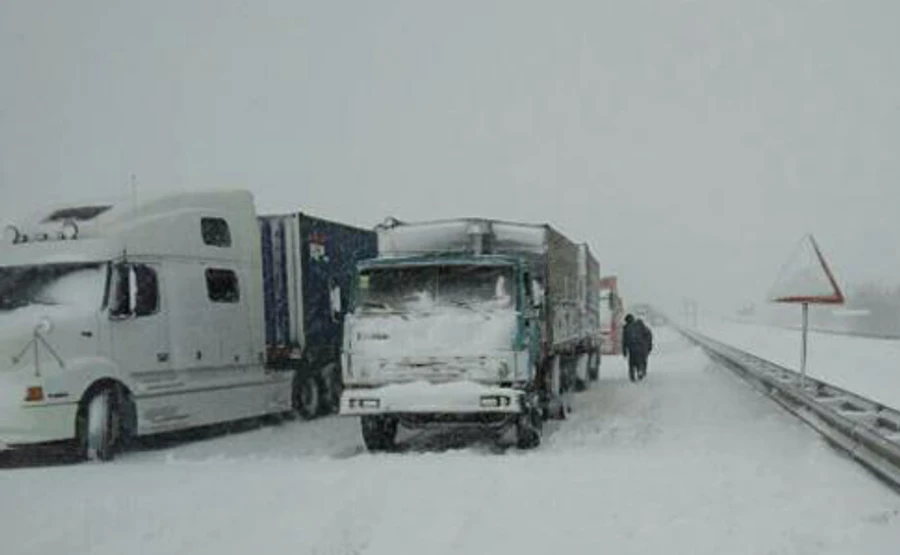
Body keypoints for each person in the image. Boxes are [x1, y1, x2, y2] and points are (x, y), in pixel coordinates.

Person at [622, 314, 653, 382]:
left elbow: (624, 340)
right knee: (641, 361)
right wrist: (649, 346)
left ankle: (633, 375)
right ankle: (641, 371)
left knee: (632, 363)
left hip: (632, 348)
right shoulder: (641, 326)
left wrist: (624, 350)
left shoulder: (626, 327)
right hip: (642, 347)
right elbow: (648, 336)